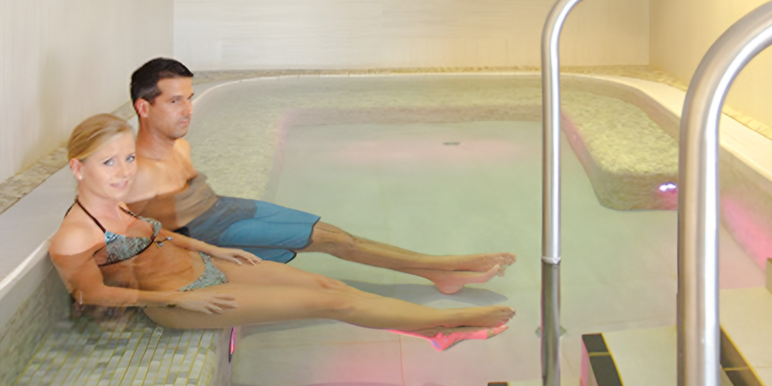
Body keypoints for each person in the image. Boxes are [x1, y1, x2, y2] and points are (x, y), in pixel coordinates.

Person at [49, 114, 514, 349]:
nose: (123, 170)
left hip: (208, 266)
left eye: (128, 158)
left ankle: (434, 329)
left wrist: (213, 248)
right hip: (179, 296)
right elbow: (94, 296)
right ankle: (448, 325)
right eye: (109, 162)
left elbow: (156, 235)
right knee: (332, 302)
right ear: (77, 167)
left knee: (328, 284)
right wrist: (176, 300)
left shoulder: (120, 202)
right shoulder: (74, 235)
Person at [124, 58, 515, 294]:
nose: (188, 110)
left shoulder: (179, 146)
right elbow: (133, 236)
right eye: (175, 101)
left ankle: (439, 272)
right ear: (144, 107)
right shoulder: (136, 171)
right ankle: (450, 264)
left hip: (227, 207)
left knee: (338, 234)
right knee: (336, 242)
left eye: (189, 98)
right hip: (209, 233)